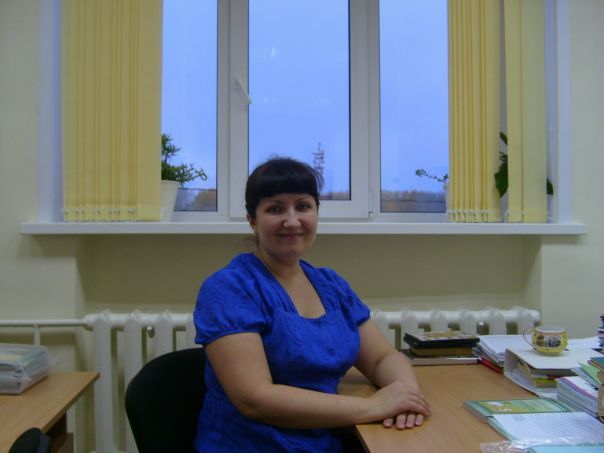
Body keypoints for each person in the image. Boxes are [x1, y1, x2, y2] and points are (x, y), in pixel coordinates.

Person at [193, 157, 430, 453]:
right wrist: (372, 407)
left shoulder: (331, 284)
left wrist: (407, 397)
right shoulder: (229, 289)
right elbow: (255, 399)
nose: (292, 221)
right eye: (275, 209)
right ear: (252, 219)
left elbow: (381, 358)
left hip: (327, 442)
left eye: (303, 206)